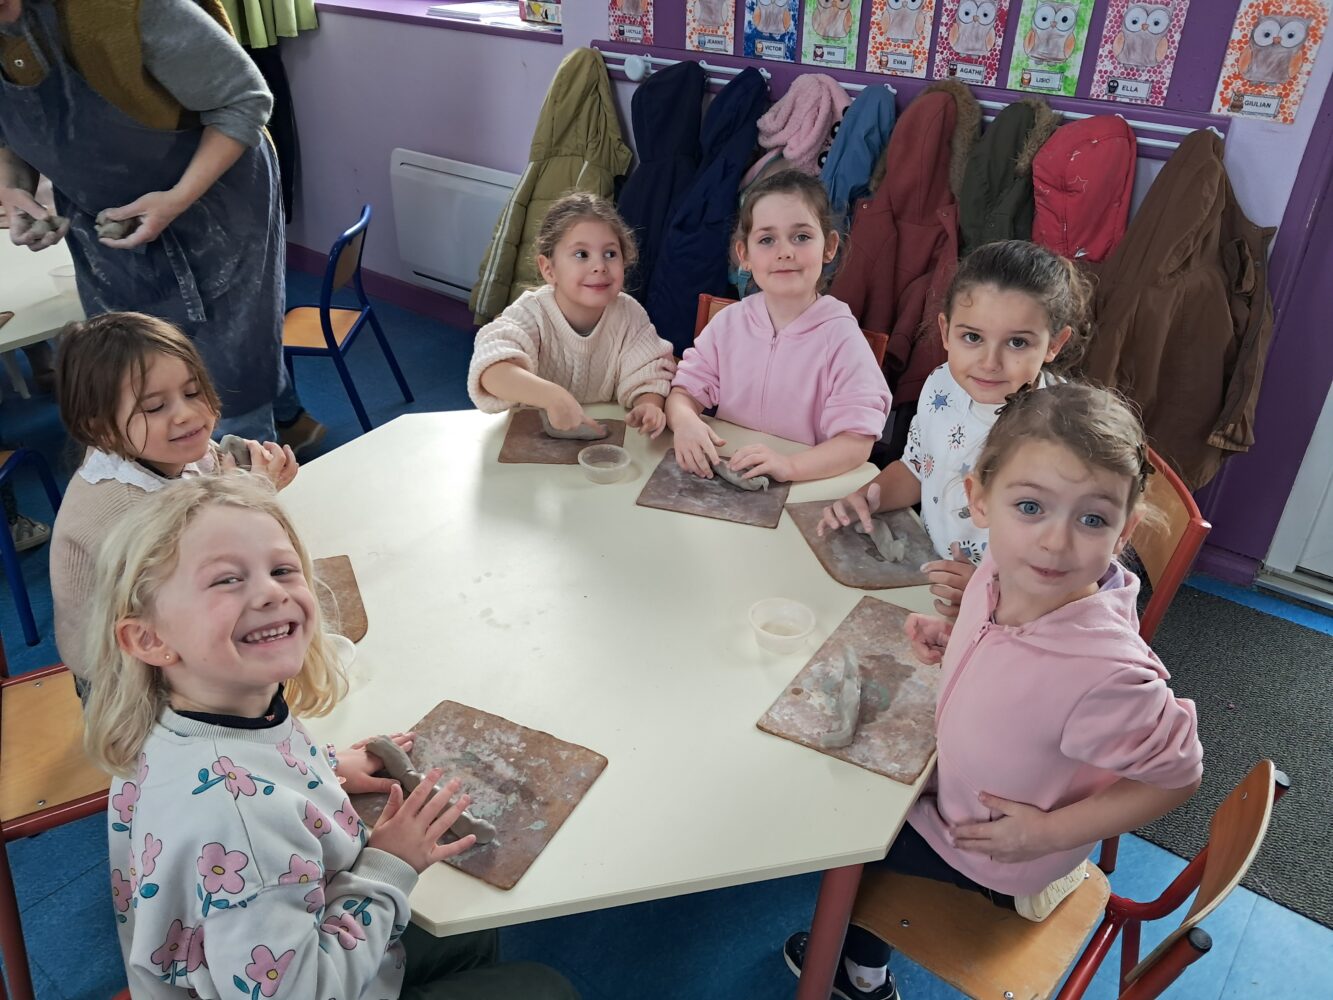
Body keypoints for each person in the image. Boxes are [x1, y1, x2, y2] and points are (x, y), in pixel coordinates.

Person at [81, 474, 579, 999]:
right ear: (149, 637)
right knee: (544, 988)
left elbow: (248, 764)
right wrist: (391, 866)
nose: (271, 592)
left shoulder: (187, 707)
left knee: (471, 938)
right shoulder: (238, 824)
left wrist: (324, 763)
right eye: (227, 580)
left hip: (289, 941)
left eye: (282, 569)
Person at [784, 383, 1204, 1000]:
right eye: (1031, 506)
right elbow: (1015, 656)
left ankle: (862, 977)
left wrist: (1047, 835)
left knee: (839, 835)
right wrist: (959, 637)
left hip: (993, 852)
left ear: (1124, 532)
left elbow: (1180, 776)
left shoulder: (1107, 675)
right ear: (979, 500)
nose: (1055, 541)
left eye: (1092, 519)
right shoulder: (1004, 570)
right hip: (953, 784)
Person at [0, 0, 324, 449]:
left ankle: (249, 464)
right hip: (103, 216)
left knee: (229, 357)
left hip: (212, 201)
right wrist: (14, 189)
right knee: (135, 357)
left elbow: (245, 100)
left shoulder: (125, 9)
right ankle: (288, 419)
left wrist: (177, 198)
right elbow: (10, 136)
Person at [817, 240, 1088, 617]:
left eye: (1017, 342)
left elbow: (1080, 573)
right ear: (946, 331)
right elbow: (918, 469)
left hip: (1013, 612)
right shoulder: (941, 385)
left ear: (1054, 344)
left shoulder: (1064, 435)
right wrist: (866, 499)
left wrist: (992, 591)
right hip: (931, 581)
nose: (989, 362)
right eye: (972, 337)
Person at [50, 312, 296, 681]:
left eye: (192, 392)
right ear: (100, 429)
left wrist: (249, 474)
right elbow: (209, 570)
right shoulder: (126, 506)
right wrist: (254, 495)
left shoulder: (161, 446)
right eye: (154, 407)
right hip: (125, 672)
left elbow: (212, 472)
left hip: (170, 627)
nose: (186, 414)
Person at [666, 170, 890, 483]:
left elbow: (857, 443)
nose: (785, 251)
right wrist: (684, 421)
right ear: (744, 255)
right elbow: (683, 392)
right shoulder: (727, 324)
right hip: (730, 479)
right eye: (767, 240)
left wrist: (790, 466)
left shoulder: (842, 338)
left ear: (829, 247)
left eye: (801, 237)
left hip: (804, 484)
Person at [467, 192, 676, 438]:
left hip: (603, 445)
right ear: (549, 269)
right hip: (533, 441)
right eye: (581, 254)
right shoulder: (531, 312)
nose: (600, 266)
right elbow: (491, 369)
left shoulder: (629, 314)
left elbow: (649, 374)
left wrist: (648, 405)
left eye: (610, 254)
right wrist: (551, 397)